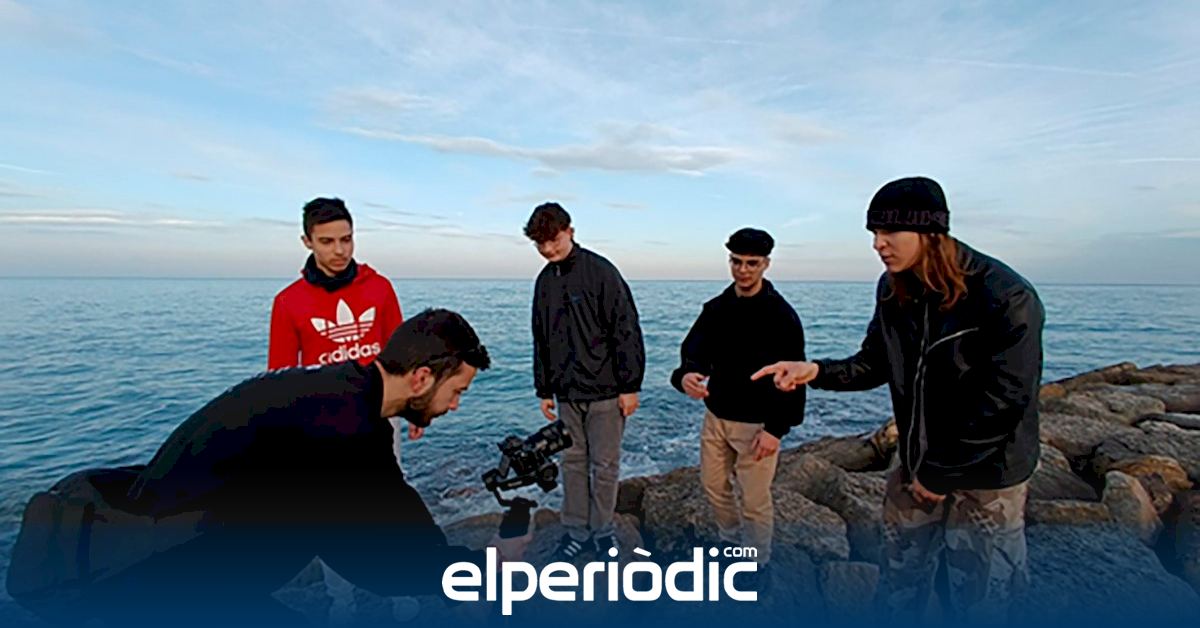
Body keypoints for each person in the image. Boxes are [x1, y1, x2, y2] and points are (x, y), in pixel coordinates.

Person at [68, 309, 524, 627]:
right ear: (422, 378)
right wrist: (484, 569)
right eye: (457, 391)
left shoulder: (348, 398)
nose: (456, 406)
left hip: (175, 567)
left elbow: (395, 503)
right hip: (161, 584)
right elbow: (376, 565)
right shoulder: (342, 426)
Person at [752, 176, 1045, 621]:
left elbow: (1006, 401)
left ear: (930, 231)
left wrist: (940, 473)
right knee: (898, 587)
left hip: (988, 474)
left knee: (983, 601)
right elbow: (874, 363)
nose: (878, 244)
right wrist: (815, 371)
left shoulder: (1005, 296)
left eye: (889, 232)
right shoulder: (893, 289)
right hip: (916, 461)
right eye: (874, 233)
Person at [670, 228, 806, 573]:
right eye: (736, 261)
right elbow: (693, 352)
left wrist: (775, 430)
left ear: (766, 264)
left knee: (755, 500)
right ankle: (730, 542)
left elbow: (794, 376)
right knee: (713, 485)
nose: (743, 270)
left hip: (758, 423)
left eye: (751, 263)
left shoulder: (781, 316)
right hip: (716, 416)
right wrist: (686, 375)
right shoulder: (716, 308)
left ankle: (757, 562)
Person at [525, 202, 645, 561]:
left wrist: (630, 386)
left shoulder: (601, 272)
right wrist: (544, 389)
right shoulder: (544, 281)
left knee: (604, 467)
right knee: (572, 464)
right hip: (566, 393)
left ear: (570, 232)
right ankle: (576, 531)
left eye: (554, 240)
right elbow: (540, 338)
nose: (548, 249)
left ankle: (603, 532)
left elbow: (626, 329)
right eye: (541, 244)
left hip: (607, 392)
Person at [267, 197, 420, 460]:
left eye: (346, 239)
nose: (340, 250)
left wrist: (414, 406)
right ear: (307, 242)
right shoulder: (288, 301)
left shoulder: (379, 287)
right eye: (327, 241)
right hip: (322, 415)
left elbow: (401, 353)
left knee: (387, 481)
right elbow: (280, 376)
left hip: (380, 408)